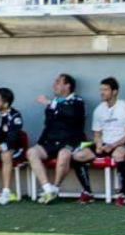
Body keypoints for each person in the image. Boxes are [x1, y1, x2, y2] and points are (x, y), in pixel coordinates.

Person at [28, 73, 90, 204]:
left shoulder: (77, 101)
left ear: (67, 86)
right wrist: (40, 143)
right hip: (51, 142)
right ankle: (47, 188)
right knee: (32, 152)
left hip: (70, 142)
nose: (54, 85)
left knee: (64, 155)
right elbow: (48, 126)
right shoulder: (53, 104)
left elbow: (70, 113)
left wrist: (50, 103)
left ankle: (55, 188)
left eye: (58, 82)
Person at [72, 77, 125, 203]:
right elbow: (97, 134)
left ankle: (122, 194)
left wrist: (113, 145)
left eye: (105, 90)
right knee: (78, 156)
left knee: (118, 155)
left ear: (114, 91)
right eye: (101, 90)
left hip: (122, 143)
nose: (102, 92)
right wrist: (99, 144)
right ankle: (87, 192)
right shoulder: (99, 109)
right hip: (105, 144)